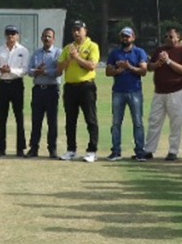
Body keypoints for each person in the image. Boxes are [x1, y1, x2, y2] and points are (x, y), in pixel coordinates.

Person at [145, 26, 182, 161]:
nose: (167, 39)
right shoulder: (159, 50)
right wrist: (158, 63)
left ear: (178, 38)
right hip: (159, 92)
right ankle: (148, 150)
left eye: (171, 36)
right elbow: (149, 67)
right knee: (154, 121)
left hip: (176, 91)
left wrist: (168, 61)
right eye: (166, 36)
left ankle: (173, 151)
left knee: (175, 122)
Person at [57, 21, 101, 162]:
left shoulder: (92, 46)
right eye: (74, 30)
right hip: (70, 87)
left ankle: (92, 150)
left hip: (86, 87)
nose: (76, 33)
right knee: (70, 120)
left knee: (90, 119)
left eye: (79, 30)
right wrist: (69, 59)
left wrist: (77, 57)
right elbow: (59, 68)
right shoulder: (68, 48)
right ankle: (71, 150)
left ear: (85, 31)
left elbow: (92, 66)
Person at [104, 27, 149, 160]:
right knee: (116, 123)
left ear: (133, 38)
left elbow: (144, 71)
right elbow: (108, 72)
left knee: (138, 122)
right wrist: (118, 70)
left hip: (134, 91)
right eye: (123, 36)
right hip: (118, 91)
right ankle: (116, 151)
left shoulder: (139, 52)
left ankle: (140, 151)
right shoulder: (114, 53)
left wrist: (129, 67)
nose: (125, 39)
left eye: (128, 36)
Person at [0, 25, 31, 156]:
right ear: (5, 35)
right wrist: (2, 71)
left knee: (19, 116)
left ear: (17, 35)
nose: (11, 36)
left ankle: (20, 148)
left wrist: (10, 70)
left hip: (17, 85)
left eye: (13, 34)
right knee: (2, 117)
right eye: (8, 34)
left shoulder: (23, 51)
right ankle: (0, 148)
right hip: (3, 84)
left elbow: (24, 70)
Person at [27, 28, 61, 158]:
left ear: (53, 39)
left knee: (52, 121)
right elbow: (29, 71)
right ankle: (33, 148)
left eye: (49, 36)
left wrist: (45, 71)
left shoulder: (58, 53)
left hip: (52, 89)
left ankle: (52, 149)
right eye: (45, 36)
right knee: (36, 120)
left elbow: (58, 71)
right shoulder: (36, 54)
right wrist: (36, 71)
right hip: (38, 90)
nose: (47, 38)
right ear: (41, 38)